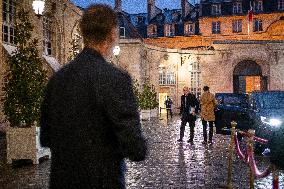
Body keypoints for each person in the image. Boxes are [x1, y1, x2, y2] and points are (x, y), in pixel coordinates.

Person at [40, 4, 147, 189]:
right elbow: (136, 149)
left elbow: (45, 138)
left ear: (82, 32)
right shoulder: (116, 79)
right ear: (113, 34)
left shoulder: (57, 80)